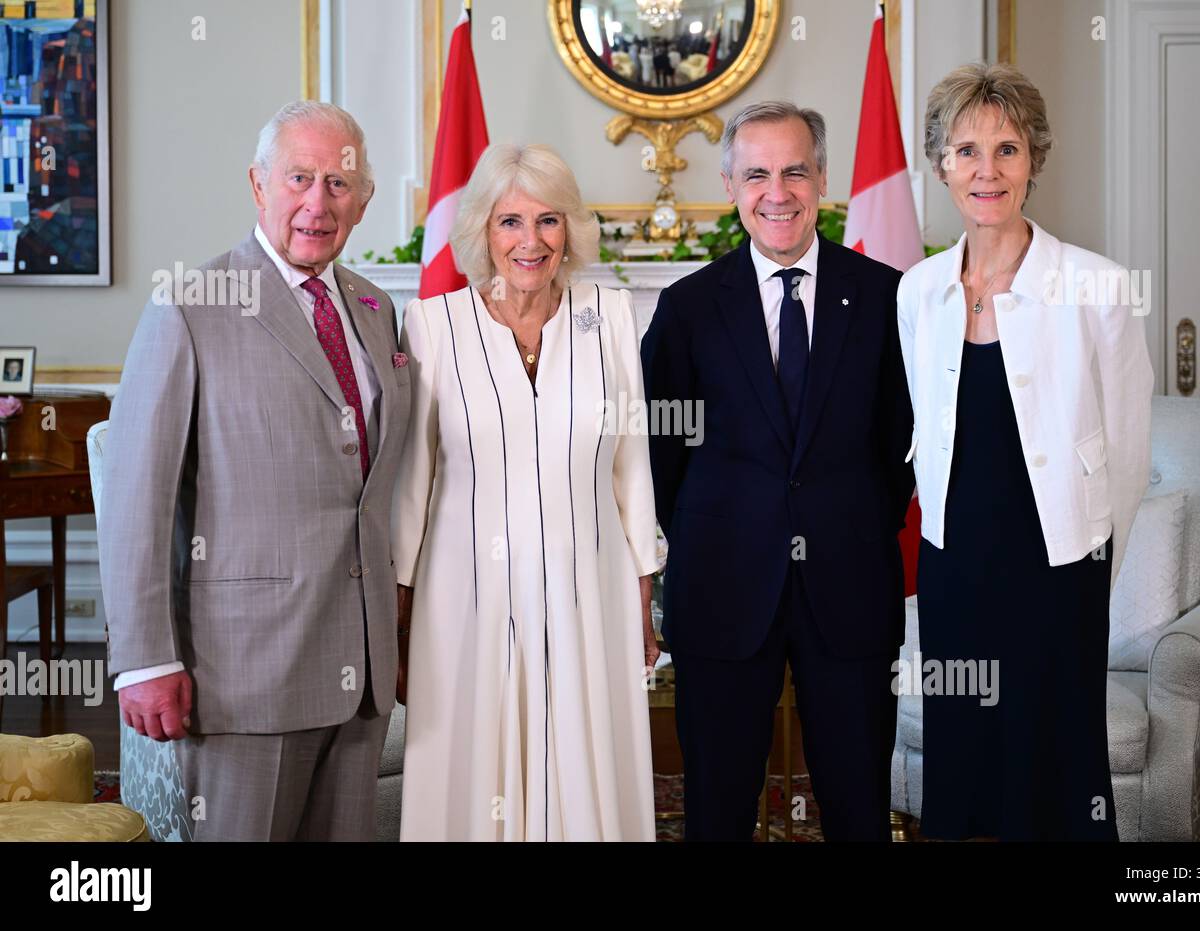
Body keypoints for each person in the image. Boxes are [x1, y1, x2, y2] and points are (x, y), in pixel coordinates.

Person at [100, 101, 409, 841]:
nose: (317, 202)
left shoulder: (374, 307)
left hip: (360, 673)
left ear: (363, 200)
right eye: (299, 177)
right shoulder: (190, 305)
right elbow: (135, 498)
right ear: (258, 184)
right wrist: (142, 659)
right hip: (244, 671)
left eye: (340, 183)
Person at [642, 101, 914, 841]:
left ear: (823, 178)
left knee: (858, 805)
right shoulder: (687, 309)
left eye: (796, 170)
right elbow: (662, 453)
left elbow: (901, 445)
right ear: (730, 184)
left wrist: (847, 520)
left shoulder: (889, 299)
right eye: (756, 172)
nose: (778, 191)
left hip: (851, 584)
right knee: (719, 808)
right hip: (722, 587)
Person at [897, 62, 1153, 840]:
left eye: (1006, 149)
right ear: (941, 164)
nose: (987, 171)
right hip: (953, 564)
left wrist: (1095, 552)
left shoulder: (1098, 286)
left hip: (1059, 563)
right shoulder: (918, 289)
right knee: (963, 743)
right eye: (967, 151)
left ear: (1033, 160)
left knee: (1056, 756)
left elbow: (1131, 447)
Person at [392, 142, 660, 841]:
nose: (530, 241)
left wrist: (643, 585)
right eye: (510, 221)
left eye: (547, 220)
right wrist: (399, 614)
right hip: (463, 590)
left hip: (589, 582)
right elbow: (411, 485)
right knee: (473, 760)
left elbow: (632, 463)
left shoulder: (612, 316)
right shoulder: (433, 326)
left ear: (569, 228)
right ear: (483, 230)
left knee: (585, 750)